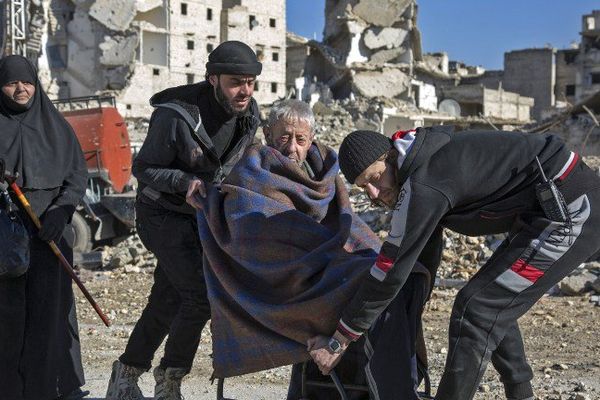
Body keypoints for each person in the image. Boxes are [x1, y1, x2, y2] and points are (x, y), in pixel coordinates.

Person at [308, 126, 600, 400]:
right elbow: (420, 257)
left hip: (570, 210)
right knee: (486, 299)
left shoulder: (422, 184)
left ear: (390, 157)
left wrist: (340, 339)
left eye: (374, 178)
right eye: (363, 188)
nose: (373, 193)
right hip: (541, 212)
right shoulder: (421, 163)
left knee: (477, 310)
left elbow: (390, 267)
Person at [197, 100, 430, 399]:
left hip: (324, 271)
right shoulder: (251, 175)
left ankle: (388, 382)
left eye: (300, 139)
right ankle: (394, 390)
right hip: (283, 287)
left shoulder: (324, 176)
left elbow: (346, 226)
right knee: (374, 283)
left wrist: (371, 256)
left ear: (311, 141)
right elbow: (254, 237)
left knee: (396, 274)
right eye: (284, 137)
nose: (292, 147)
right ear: (268, 135)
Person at [104, 40, 262, 400]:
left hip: (201, 216)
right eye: (237, 82)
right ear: (213, 79)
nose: (245, 91)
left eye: (251, 82)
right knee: (198, 297)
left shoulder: (250, 114)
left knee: (168, 297)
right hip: (160, 213)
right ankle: (170, 380)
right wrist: (183, 181)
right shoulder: (175, 116)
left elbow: (242, 162)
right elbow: (143, 169)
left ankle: (126, 373)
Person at [0, 55, 88, 400]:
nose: (21, 89)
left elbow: (76, 175)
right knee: (8, 316)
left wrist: (60, 213)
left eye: (27, 82)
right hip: (6, 240)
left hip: (49, 237)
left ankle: (49, 388)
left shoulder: (56, 126)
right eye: (11, 83)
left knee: (48, 314)